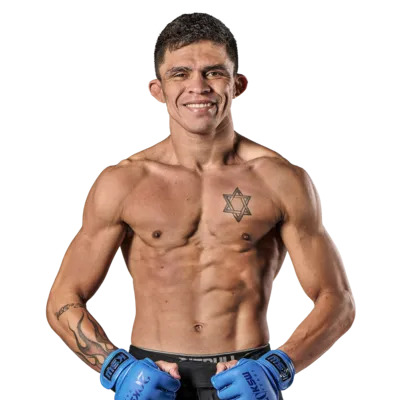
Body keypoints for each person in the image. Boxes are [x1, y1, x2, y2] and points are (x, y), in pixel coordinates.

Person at [46, 10, 356, 400]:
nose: (198, 87)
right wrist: (116, 367)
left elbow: (337, 301)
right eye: (180, 73)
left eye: (214, 72)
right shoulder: (123, 183)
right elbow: (63, 299)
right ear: (157, 89)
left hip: (247, 376)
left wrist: (278, 368)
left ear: (238, 84)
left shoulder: (280, 180)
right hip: (152, 379)